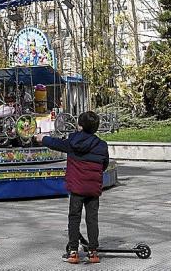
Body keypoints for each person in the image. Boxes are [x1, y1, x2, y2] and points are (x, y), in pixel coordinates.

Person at [35, 111, 109, 264]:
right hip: (93, 189)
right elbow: (104, 165)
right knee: (92, 219)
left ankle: (73, 252)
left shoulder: (72, 142)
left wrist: (43, 138)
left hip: (76, 188)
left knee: (74, 218)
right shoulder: (102, 145)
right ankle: (93, 252)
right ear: (96, 128)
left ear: (79, 126)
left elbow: (57, 144)